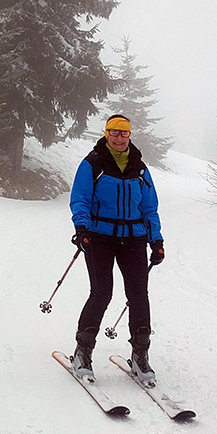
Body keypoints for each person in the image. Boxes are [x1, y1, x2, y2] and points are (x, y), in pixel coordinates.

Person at [68, 113, 165, 385]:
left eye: (124, 132)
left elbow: (149, 207)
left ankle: (140, 355)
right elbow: (80, 198)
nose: (119, 137)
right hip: (98, 237)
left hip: (133, 239)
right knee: (101, 292)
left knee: (138, 295)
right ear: (106, 133)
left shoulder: (139, 168)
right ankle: (83, 352)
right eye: (114, 132)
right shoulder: (92, 164)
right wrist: (81, 228)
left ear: (130, 135)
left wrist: (156, 240)